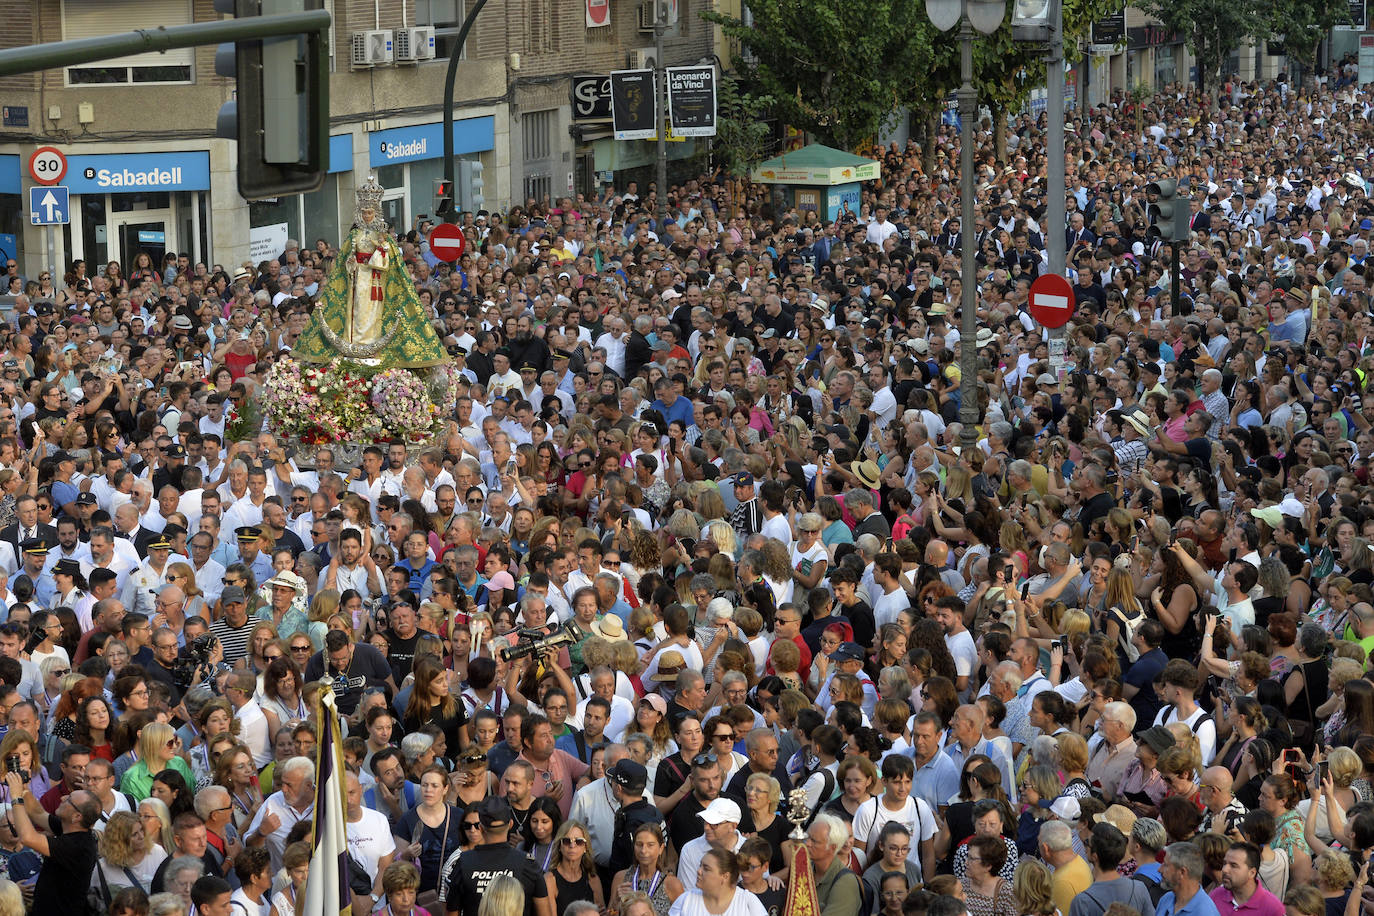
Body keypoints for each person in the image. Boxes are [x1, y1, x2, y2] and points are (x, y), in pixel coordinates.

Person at [444, 796, 551, 916]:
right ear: (510, 824)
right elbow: (545, 912)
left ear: (480, 827)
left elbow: (451, 912)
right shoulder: (528, 864)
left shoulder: (463, 863)